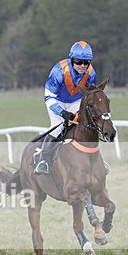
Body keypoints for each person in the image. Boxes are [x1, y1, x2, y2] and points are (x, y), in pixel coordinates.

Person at [34, 41, 97, 175]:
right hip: (56, 101)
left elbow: (89, 95)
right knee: (58, 127)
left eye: (87, 62)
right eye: (79, 62)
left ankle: (94, 160)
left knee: (87, 126)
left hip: (76, 101)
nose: (83, 66)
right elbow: (49, 96)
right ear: (72, 59)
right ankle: (43, 160)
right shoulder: (59, 71)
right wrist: (62, 112)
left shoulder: (91, 73)